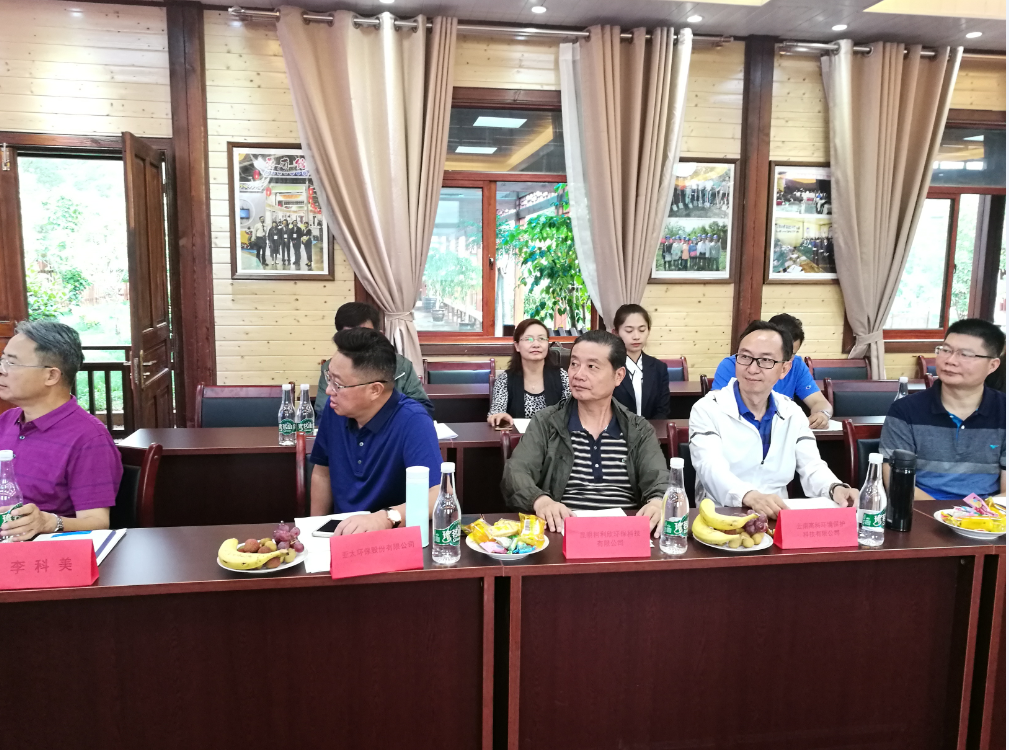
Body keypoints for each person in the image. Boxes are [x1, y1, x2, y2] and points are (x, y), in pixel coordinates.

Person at [501, 330, 669, 536]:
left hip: (624, 535)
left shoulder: (638, 429)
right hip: (562, 532)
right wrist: (541, 501)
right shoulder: (546, 422)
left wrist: (657, 502)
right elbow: (516, 472)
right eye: (574, 364)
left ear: (618, 376)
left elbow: (659, 478)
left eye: (592, 367)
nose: (578, 374)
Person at [689, 320, 859, 519]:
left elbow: (812, 465)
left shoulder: (792, 412)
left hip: (777, 516)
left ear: (784, 369)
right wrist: (749, 496)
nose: (752, 369)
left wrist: (835, 487)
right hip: (722, 513)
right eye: (745, 357)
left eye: (766, 360)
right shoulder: (708, 409)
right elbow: (710, 467)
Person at [310, 327, 443, 534]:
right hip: (342, 533)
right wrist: (313, 529)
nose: (329, 391)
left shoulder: (412, 420)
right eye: (329, 378)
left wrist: (386, 518)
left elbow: (438, 495)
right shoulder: (334, 409)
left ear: (374, 390)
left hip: (393, 537)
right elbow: (322, 473)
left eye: (338, 384)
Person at [0, 321, 122, 540]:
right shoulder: (6, 421)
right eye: (2, 360)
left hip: (37, 551)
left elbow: (97, 522)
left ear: (51, 376)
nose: (2, 370)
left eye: (12, 363)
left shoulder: (88, 437)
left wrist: (48, 522)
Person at [880, 319, 1006, 500]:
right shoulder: (905, 410)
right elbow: (897, 482)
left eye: (965, 354)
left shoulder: (1003, 410)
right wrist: (946, 514)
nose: (950, 361)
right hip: (921, 511)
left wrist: (974, 514)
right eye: (946, 350)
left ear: (992, 365)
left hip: (988, 513)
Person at [711, 312, 833, 429]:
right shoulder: (733, 364)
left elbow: (820, 402)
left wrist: (822, 414)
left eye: (791, 354)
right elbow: (715, 406)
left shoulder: (796, 365)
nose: (753, 369)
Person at [317, 302, 434, 419]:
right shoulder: (330, 368)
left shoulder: (401, 365)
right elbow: (323, 412)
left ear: (379, 335)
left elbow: (423, 407)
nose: (359, 342)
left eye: (365, 335)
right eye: (350, 336)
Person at [487, 319, 570, 428]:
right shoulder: (505, 379)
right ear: (517, 346)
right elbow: (496, 413)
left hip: (554, 437)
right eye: (529, 339)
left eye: (541, 339)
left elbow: (571, 411)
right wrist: (499, 417)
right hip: (519, 438)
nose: (536, 344)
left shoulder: (562, 376)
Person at [611, 304, 670, 420]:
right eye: (629, 331)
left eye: (642, 330)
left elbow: (663, 411)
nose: (636, 336)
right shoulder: (609, 366)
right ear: (616, 333)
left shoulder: (659, 368)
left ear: (648, 331)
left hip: (652, 429)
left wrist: (647, 430)